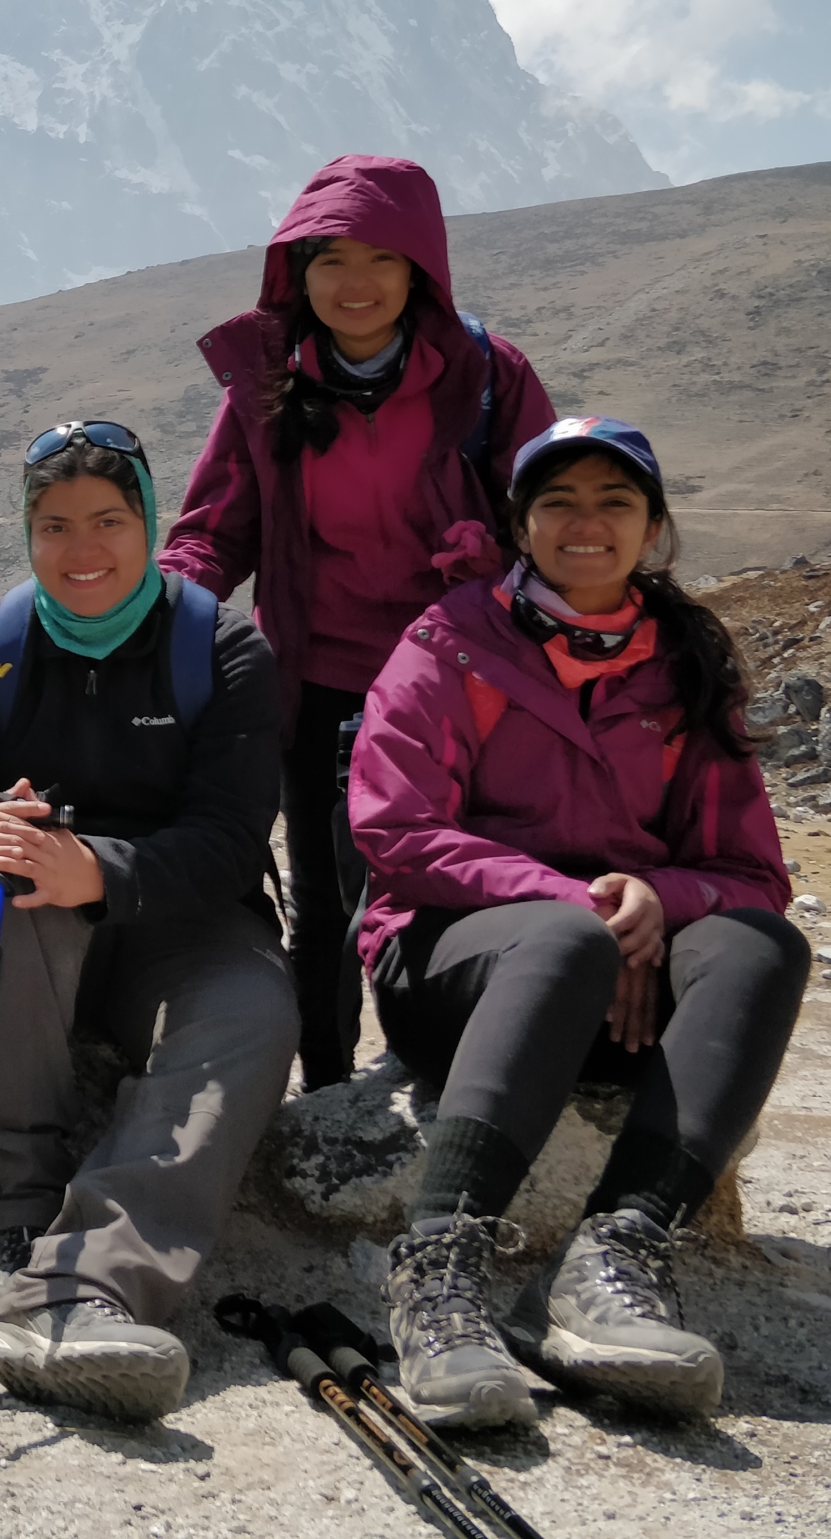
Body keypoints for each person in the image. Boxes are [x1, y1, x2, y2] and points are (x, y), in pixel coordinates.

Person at [348, 417, 808, 1425]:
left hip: (627, 991)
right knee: (561, 939)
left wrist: (657, 901)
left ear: (653, 526)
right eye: (557, 501)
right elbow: (397, 833)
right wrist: (584, 907)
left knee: (763, 945)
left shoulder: (686, 661)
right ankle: (438, 1274)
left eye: (614, 501)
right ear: (520, 526)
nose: (585, 522)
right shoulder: (450, 643)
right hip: (454, 972)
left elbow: (748, 873)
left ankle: (613, 1261)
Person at [0, 421, 296, 1423]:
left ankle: (84, 1283)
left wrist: (96, 869)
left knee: (253, 1012)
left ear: (148, 523)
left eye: (108, 520)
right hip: (24, 927)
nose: (82, 549)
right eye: (55, 525)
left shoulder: (222, 648)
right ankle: (20, 1223)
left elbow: (231, 841)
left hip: (185, 927)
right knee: (1, 886)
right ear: (28, 532)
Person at [160, 155, 555, 1089]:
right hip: (319, 677)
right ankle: (329, 1092)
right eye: (330, 259)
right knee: (326, 898)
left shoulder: (485, 376)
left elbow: (550, 516)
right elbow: (215, 529)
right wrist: (164, 614)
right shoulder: (265, 383)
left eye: (382, 257)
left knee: (447, 876)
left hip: (455, 683)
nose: (356, 282)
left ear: (421, 269)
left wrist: (492, 556)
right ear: (297, 272)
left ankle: (448, 1071)